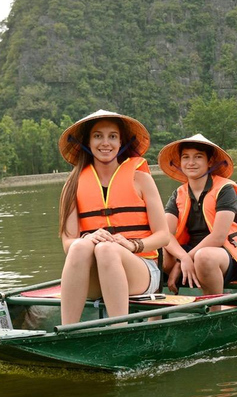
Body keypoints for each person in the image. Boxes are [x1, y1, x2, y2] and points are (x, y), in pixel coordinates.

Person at [57, 109, 169, 325]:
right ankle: (67, 330)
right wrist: (87, 239)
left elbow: (163, 235)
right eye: (98, 136)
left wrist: (132, 245)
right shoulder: (72, 185)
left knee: (106, 249)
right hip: (96, 276)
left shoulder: (141, 179)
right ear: (88, 142)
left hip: (142, 268)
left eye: (112, 136)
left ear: (121, 143)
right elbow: (67, 244)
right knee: (79, 247)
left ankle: (118, 329)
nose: (105, 143)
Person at [158, 134, 237, 297]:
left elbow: (218, 237)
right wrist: (183, 258)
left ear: (209, 162)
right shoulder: (179, 194)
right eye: (186, 157)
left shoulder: (225, 190)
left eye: (198, 157)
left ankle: (214, 307)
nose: (191, 162)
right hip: (190, 254)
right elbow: (166, 234)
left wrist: (182, 260)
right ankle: (158, 310)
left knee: (204, 256)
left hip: (230, 254)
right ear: (180, 163)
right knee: (159, 251)